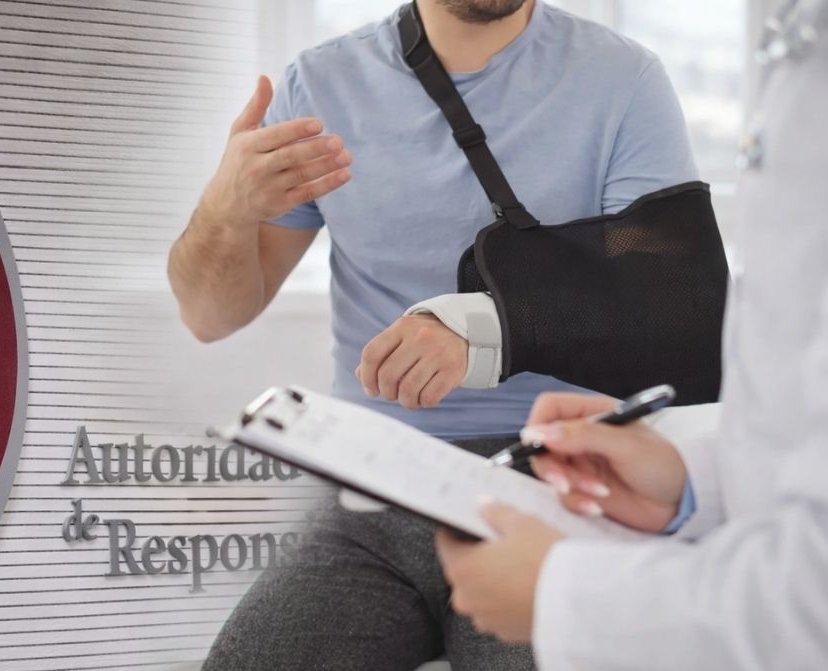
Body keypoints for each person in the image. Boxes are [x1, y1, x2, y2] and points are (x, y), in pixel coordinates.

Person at [168, 0, 699, 668]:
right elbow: (210, 315)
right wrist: (224, 208)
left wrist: (486, 334)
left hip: (552, 477)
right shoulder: (321, 86)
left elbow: (667, 309)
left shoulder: (622, 81)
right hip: (373, 480)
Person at [435, 2, 828, 668]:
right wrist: (691, 481)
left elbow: (679, 307)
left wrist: (566, 598)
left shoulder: (625, 74)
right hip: (402, 488)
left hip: (531, 486)